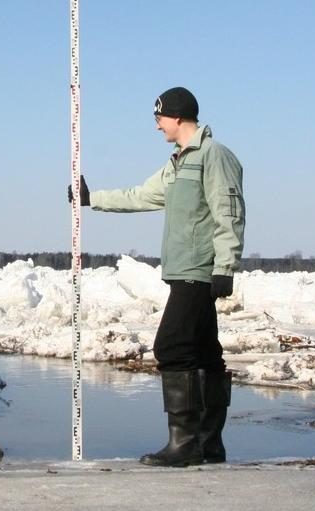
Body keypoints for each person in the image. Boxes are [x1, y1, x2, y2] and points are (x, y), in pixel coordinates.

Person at [68, 86, 245, 467]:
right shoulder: (179, 161)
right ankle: (209, 444)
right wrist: (91, 198)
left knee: (172, 347)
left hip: (200, 271)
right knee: (205, 355)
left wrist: (224, 267)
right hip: (184, 269)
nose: (156, 125)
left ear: (178, 116)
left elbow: (229, 212)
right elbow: (141, 195)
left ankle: (185, 445)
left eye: (159, 117)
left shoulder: (214, 156)